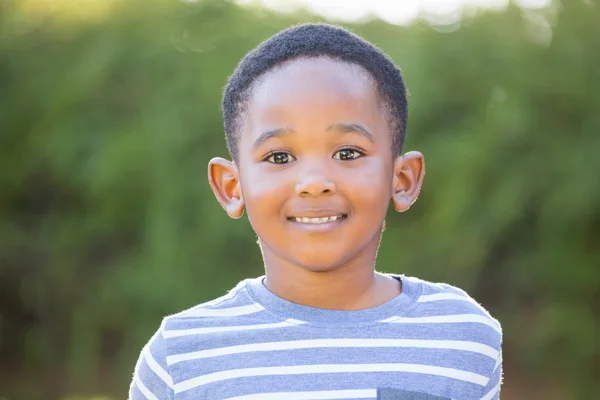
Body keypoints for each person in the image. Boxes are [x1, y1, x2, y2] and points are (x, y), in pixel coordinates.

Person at [129, 23, 502, 400]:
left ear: (402, 179)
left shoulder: (462, 336)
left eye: (348, 153)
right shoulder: (181, 357)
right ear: (232, 187)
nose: (313, 182)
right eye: (279, 156)